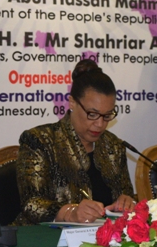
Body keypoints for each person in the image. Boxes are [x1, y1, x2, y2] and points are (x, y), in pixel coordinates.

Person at [14, 59, 136, 224]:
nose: (100, 124)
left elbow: (126, 194)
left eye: (107, 115)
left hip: (104, 235)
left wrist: (127, 201)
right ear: (72, 103)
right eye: (92, 114)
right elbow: (31, 204)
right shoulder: (40, 141)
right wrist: (70, 213)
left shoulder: (113, 146)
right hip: (48, 235)